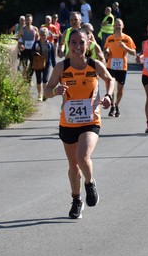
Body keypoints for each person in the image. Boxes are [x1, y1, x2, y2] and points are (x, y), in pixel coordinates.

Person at [44, 28, 115, 219]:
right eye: (73, 42)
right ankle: (76, 200)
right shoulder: (62, 67)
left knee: (83, 157)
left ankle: (90, 183)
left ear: (88, 43)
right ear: (69, 44)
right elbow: (46, 91)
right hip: (68, 122)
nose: (77, 46)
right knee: (73, 165)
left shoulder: (95, 65)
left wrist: (108, 96)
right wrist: (55, 91)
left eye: (81, 42)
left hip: (90, 120)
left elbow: (110, 80)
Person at [103, 18, 136, 117]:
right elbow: (105, 51)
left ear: (123, 26)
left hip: (122, 66)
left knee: (120, 88)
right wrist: (107, 54)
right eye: (116, 25)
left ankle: (117, 105)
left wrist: (125, 47)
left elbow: (133, 53)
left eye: (119, 25)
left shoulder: (127, 38)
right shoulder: (110, 38)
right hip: (110, 66)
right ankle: (112, 106)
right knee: (111, 87)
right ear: (113, 27)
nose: (118, 26)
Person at [16, 14, 40, 79]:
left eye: (29, 20)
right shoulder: (22, 29)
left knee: (33, 65)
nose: (28, 21)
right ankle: (24, 80)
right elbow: (17, 39)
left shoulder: (35, 29)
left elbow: (38, 39)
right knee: (24, 65)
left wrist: (37, 45)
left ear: (32, 20)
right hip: (24, 50)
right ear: (25, 21)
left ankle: (28, 77)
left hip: (32, 50)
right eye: (26, 20)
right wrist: (20, 45)